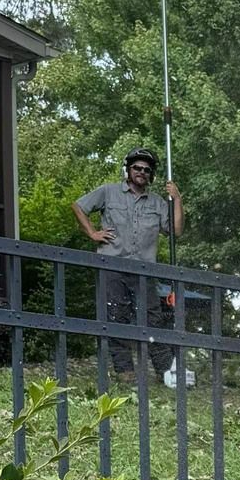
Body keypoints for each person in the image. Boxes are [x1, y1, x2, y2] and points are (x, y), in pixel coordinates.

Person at [74, 149, 184, 378]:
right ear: (128, 170)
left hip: (144, 269)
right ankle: (125, 371)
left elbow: (176, 230)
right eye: (137, 168)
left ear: (150, 175)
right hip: (113, 265)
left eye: (146, 170)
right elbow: (79, 206)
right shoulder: (109, 191)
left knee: (153, 319)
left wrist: (177, 199)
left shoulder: (157, 202)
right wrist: (93, 233)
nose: (141, 172)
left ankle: (165, 371)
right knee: (117, 316)